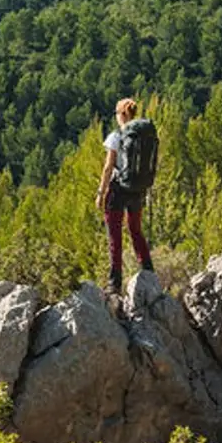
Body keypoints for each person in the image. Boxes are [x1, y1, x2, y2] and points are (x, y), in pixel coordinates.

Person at [96, 96, 156, 295]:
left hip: (118, 190)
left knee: (114, 235)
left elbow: (107, 168)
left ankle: (114, 283)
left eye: (116, 112)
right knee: (135, 230)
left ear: (122, 114)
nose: (115, 116)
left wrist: (100, 193)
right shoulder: (142, 135)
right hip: (137, 189)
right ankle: (148, 269)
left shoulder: (117, 136)